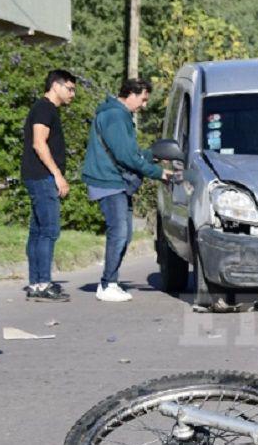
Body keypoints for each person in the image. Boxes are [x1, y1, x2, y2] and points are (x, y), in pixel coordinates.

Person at [82, 78, 173, 302]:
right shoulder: (115, 115)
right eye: (143, 99)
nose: (144, 105)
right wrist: (158, 173)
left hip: (115, 181)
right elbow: (126, 157)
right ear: (131, 94)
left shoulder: (118, 114)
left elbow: (129, 152)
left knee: (125, 233)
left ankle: (111, 281)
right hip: (108, 181)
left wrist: (151, 155)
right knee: (119, 232)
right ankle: (107, 284)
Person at [22, 69, 76, 302]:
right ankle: (43, 283)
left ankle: (36, 284)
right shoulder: (44, 108)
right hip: (43, 177)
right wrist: (57, 175)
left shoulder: (45, 109)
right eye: (70, 89)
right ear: (56, 85)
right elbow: (39, 143)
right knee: (49, 231)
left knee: (38, 232)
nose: (72, 94)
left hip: (37, 177)